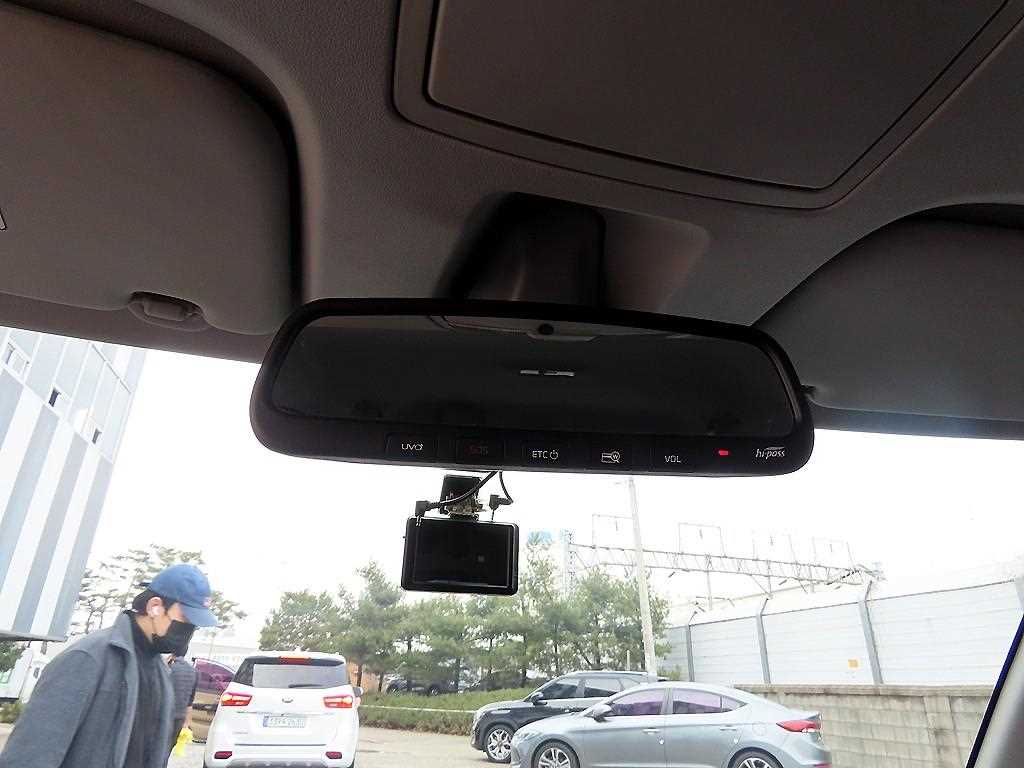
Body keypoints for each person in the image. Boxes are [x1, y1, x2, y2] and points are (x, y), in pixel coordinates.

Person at [0, 564, 219, 768]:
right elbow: (30, 753)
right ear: (155, 607)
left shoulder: (160, 672)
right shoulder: (87, 658)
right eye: (186, 619)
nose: (189, 630)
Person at [167, 654, 199, 761]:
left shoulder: (167, 668)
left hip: (164, 716)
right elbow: (189, 703)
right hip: (179, 719)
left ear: (172, 655)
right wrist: (186, 724)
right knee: (166, 752)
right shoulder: (193, 672)